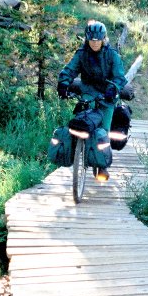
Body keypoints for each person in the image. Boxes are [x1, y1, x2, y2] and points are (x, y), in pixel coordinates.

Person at [57, 20, 128, 181]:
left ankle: (101, 165)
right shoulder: (81, 54)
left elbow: (119, 77)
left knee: (103, 129)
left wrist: (112, 90)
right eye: (92, 39)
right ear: (87, 39)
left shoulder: (112, 55)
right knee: (82, 122)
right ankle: (77, 152)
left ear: (104, 39)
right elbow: (69, 70)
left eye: (98, 40)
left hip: (107, 96)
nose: (95, 43)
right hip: (88, 93)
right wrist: (63, 84)